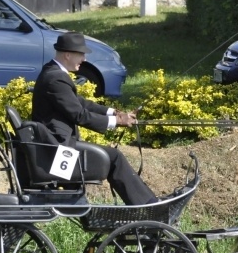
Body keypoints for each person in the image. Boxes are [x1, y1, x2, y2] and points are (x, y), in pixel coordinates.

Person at [31, 32, 158, 205]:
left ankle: (145, 204)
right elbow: (79, 114)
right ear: (68, 55)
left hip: (57, 146)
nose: (83, 59)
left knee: (112, 156)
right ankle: (148, 205)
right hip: (59, 150)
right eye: (81, 54)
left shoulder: (52, 72)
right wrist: (119, 122)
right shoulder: (55, 78)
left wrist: (112, 112)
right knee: (114, 157)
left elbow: (79, 103)